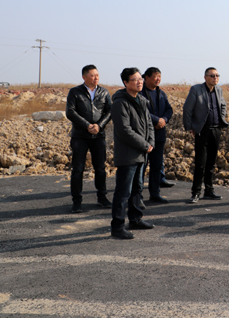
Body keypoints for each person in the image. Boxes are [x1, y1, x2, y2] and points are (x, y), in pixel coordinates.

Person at [110, 68, 155, 239]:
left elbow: (149, 124)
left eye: (140, 79)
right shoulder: (120, 103)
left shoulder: (142, 100)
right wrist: (144, 145)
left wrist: (150, 142)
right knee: (123, 192)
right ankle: (117, 226)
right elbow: (125, 131)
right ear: (125, 82)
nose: (139, 82)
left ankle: (135, 219)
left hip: (142, 152)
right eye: (135, 79)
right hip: (128, 154)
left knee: (137, 188)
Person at [65, 64, 112, 213]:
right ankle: (77, 201)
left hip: (98, 136)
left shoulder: (104, 92)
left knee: (100, 168)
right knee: (78, 169)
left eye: (97, 75)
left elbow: (110, 111)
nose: (96, 77)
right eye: (92, 75)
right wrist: (87, 125)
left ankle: (102, 198)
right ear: (84, 77)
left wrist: (99, 125)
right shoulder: (75, 92)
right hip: (80, 136)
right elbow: (70, 112)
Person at [183, 67, 228, 203]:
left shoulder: (218, 90)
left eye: (217, 75)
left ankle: (209, 191)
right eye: (212, 76)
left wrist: (222, 118)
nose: (215, 78)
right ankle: (196, 192)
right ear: (205, 77)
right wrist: (190, 127)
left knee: (211, 163)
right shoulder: (196, 89)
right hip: (202, 131)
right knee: (200, 163)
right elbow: (187, 109)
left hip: (216, 130)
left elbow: (223, 105)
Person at [139, 67, 173, 204]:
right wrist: (156, 120)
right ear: (146, 77)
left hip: (159, 135)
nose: (158, 79)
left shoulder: (161, 93)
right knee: (141, 167)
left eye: (159, 76)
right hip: (144, 135)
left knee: (157, 166)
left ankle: (155, 193)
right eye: (155, 76)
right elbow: (142, 111)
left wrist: (164, 119)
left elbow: (169, 109)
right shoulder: (140, 93)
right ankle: (137, 196)